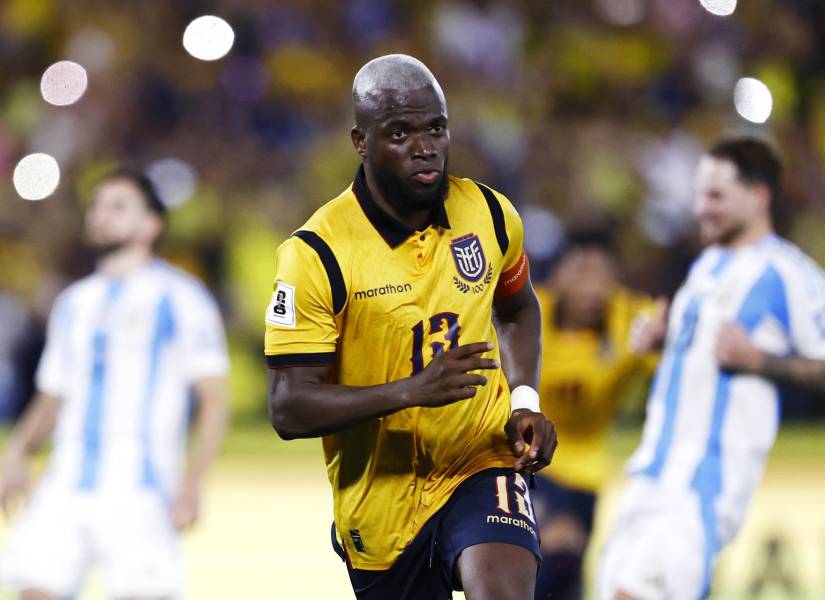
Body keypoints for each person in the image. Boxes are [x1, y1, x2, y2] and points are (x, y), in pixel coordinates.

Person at [265, 54, 557, 599]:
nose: (425, 147)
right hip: (380, 504)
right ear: (361, 141)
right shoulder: (317, 254)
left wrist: (524, 400)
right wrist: (411, 391)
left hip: (480, 460)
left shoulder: (491, 215)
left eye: (436, 128)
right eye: (400, 132)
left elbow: (518, 307)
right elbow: (287, 407)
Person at [597, 136, 825, 600]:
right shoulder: (706, 267)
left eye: (717, 195)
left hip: (701, 487)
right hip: (650, 475)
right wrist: (663, 342)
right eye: (700, 194)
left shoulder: (786, 272)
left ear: (759, 197)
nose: (703, 208)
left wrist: (761, 360)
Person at [0, 170, 230, 599]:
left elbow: (213, 398)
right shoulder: (73, 302)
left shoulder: (181, 297)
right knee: (33, 591)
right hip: (66, 479)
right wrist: (17, 453)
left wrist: (193, 481)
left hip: (141, 486)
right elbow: (53, 396)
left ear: (151, 224)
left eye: (117, 206)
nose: (101, 216)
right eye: (97, 206)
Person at [531, 229, 656, 600]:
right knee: (553, 547)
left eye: (602, 276)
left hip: (586, 468)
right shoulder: (527, 311)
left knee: (564, 569)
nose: (592, 288)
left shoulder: (632, 320)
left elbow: (678, 362)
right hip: (523, 460)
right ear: (559, 275)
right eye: (582, 273)